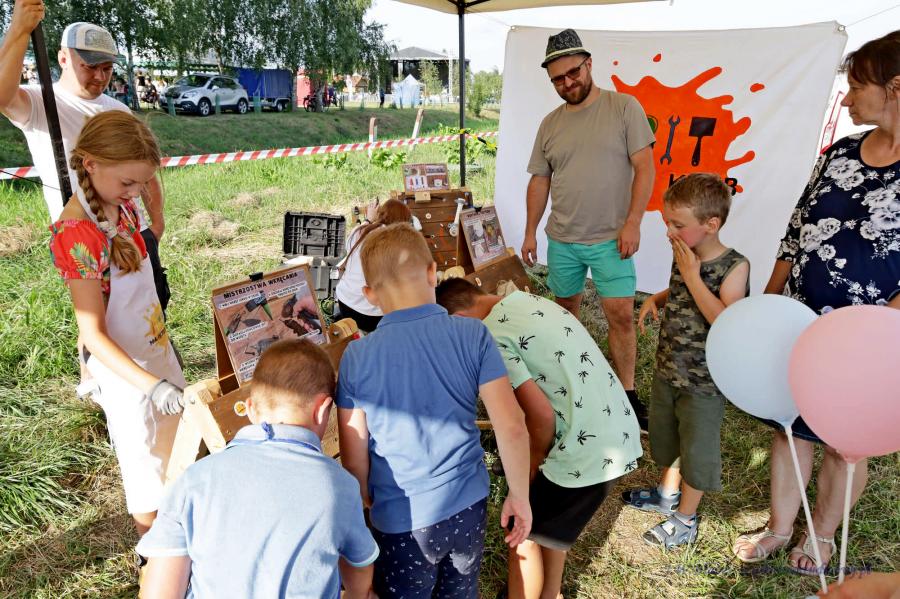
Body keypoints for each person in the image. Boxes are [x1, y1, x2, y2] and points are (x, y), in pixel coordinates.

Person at [732, 31, 900, 572]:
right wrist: (770, 301)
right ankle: (781, 526)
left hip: (869, 335)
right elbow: (796, 228)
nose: (847, 99)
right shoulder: (841, 152)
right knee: (790, 424)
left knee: (844, 439)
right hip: (799, 318)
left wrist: (878, 337)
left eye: (857, 86)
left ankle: (822, 534)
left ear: (895, 88)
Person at [337, 223, 532, 599]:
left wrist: (363, 496)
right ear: (432, 273)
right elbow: (512, 426)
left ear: (369, 295)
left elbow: (353, 452)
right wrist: (519, 496)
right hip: (469, 507)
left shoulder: (356, 357)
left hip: (402, 520)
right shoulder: (473, 334)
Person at [435, 278, 642, 599]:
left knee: (521, 529)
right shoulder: (529, 301)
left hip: (582, 449)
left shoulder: (490, 335)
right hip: (615, 429)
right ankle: (550, 593)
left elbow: (540, 417)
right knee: (549, 526)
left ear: (459, 320)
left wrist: (531, 468)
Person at [138, 339, 379, 599]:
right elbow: (359, 563)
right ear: (322, 410)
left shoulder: (195, 479)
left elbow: (161, 590)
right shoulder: (340, 485)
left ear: (251, 409)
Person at [48, 111, 185, 536]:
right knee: (144, 467)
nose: (135, 193)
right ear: (91, 164)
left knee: (175, 451)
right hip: (127, 374)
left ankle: (179, 531)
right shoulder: (77, 232)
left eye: (142, 184)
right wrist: (152, 386)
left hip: (154, 347)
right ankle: (153, 549)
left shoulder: (121, 206)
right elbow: (92, 333)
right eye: (129, 183)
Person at [522, 28, 656, 429]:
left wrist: (633, 222)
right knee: (565, 314)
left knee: (621, 315)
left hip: (612, 238)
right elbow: (540, 180)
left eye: (573, 73)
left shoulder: (623, 107)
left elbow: (645, 167)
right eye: (557, 79)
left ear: (589, 64)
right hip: (562, 238)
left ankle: (627, 394)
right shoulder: (549, 124)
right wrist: (529, 231)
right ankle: (574, 386)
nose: (567, 83)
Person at [0, 4, 171, 317]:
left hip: (133, 231)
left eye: (107, 68)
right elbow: (2, 96)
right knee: (103, 321)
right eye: (90, 67)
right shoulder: (40, 103)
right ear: (64, 58)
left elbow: (145, 174)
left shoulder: (119, 110)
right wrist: (19, 30)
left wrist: (155, 224)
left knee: (151, 312)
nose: (99, 77)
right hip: (86, 241)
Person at [621, 173, 750, 548]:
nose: (669, 232)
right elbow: (680, 288)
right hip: (669, 368)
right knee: (669, 436)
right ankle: (667, 495)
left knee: (696, 448)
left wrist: (692, 275)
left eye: (678, 224)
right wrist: (656, 298)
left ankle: (686, 519)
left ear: (712, 224)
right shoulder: (686, 254)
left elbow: (725, 321)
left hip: (704, 382)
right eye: (667, 223)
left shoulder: (734, 266)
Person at [335, 199, 413, 332]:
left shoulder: (359, 232)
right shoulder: (396, 245)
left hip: (344, 302)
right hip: (371, 317)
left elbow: (361, 231)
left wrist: (368, 219)